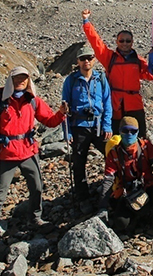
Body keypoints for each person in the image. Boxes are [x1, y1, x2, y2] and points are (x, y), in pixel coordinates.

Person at [0, 67, 68, 252]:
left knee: (37, 187)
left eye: (24, 78)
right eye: (17, 78)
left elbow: (50, 121)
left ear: (29, 81)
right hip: (7, 153)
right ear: (10, 80)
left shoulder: (33, 101)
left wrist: (61, 114)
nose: (21, 81)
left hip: (28, 150)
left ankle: (34, 218)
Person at [81, 9, 153, 137]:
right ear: (117, 42)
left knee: (140, 137)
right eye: (121, 41)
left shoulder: (138, 60)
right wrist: (86, 22)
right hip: (115, 106)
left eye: (127, 41)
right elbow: (96, 42)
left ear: (132, 42)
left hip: (135, 105)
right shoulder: (110, 58)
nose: (124, 44)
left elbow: (150, 75)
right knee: (116, 139)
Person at [98, 116, 153, 232]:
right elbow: (108, 179)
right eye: (125, 131)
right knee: (121, 223)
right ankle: (138, 217)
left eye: (133, 131)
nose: (129, 134)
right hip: (126, 191)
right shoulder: (114, 153)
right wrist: (102, 206)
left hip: (147, 185)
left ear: (138, 132)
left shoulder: (145, 146)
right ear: (120, 132)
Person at [61, 44, 113, 200]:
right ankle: (82, 197)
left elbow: (107, 102)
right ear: (78, 61)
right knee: (78, 163)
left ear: (94, 59)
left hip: (98, 126)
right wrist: (67, 131)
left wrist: (107, 124)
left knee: (111, 156)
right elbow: (64, 107)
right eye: (83, 59)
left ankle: (113, 189)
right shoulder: (71, 81)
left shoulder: (101, 78)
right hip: (79, 126)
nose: (86, 61)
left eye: (90, 58)